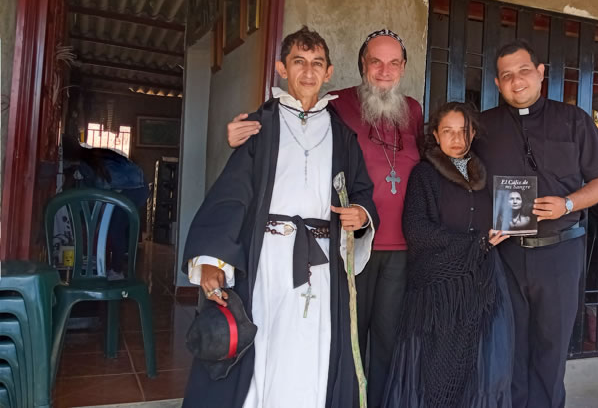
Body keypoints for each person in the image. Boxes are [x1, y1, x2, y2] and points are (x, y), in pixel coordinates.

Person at [180, 26, 379, 408]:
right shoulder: (259, 127)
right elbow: (231, 196)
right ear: (282, 68)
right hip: (267, 261)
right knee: (266, 343)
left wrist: (361, 215)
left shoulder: (343, 136)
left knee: (316, 346)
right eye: (299, 62)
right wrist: (211, 260)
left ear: (329, 72)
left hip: (322, 264)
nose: (308, 71)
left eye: (317, 63)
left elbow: (361, 192)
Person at [227, 29, 422, 407]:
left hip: (400, 246)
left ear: (403, 68)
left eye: (394, 63)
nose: (385, 70)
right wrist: (243, 132)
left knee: (388, 341)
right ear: (362, 64)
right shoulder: (337, 105)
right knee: (346, 340)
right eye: (376, 62)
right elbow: (291, 119)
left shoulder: (412, 110)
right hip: (350, 247)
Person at [475, 40, 598, 408]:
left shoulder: (574, 120)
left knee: (551, 353)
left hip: (560, 252)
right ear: (497, 83)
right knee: (509, 349)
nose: (516, 81)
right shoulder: (484, 126)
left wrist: (567, 203)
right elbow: (466, 181)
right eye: (507, 75)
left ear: (540, 73)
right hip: (505, 255)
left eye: (524, 71)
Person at [383, 102, 513, 408]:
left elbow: (494, 221)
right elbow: (416, 230)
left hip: (479, 285)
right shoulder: (424, 174)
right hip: (438, 290)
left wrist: (503, 228)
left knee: (478, 369)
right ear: (435, 135)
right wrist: (474, 244)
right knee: (436, 371)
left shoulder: (483, 175)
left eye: (463, 131)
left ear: (472, 134)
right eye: (448, 131)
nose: (456, 139)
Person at [61, 134, 149, 279]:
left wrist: (98, 221)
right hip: (137, 185)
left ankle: (117, 271)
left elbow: (102, 193)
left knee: (116, 227)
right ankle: (115, 267)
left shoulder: (86, 164)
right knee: (115, 226)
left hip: (134, 188)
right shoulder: (91, 155)